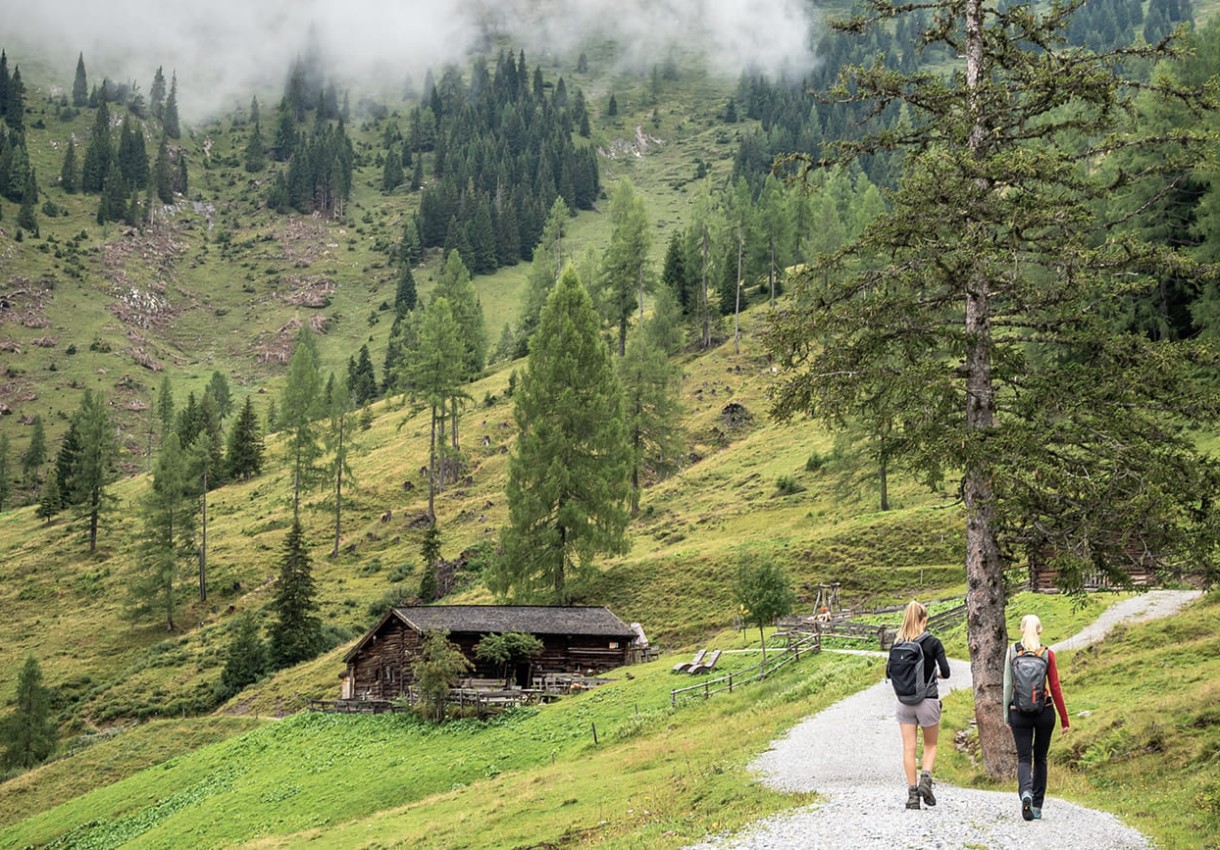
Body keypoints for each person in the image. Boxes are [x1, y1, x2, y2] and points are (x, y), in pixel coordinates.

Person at [1003, 614, 1070, 821]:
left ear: (1021, 629)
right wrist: (1064, 720)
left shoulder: (1012, 652)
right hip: (1044, 712)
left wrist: (1006, 715)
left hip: (1019, 713)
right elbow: (1055, 688)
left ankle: (1026, 793)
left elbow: (1007, 686)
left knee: (1024, 758)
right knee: (1040, 758)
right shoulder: (1047, 654)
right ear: (1040, 630)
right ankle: (1038, 806)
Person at [887, 601, 950, 810]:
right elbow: (946, 672)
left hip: (904, 702)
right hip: (927, 700)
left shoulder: (898, 644)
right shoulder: (933, 642)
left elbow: (889, 673)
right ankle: (926, 779)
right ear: (924, 619)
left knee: (909, 748)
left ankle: (912, 796)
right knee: (930, 745)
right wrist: (933, 674)